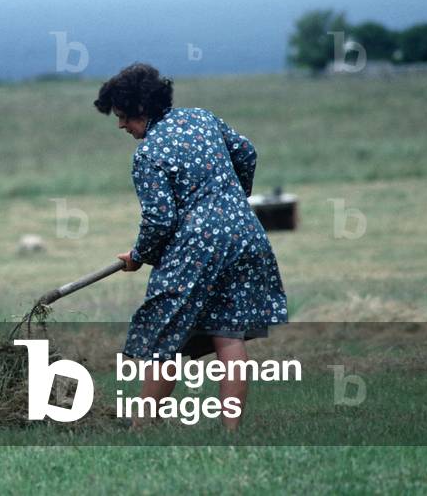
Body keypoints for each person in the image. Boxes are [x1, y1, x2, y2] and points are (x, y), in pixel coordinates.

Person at [94, 62, 288, 430]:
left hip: (196, 247)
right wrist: (234, 194)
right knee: (228, 334)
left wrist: (138, 256)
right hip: (245, 234)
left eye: (123, 117)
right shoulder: (201, 118)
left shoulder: (148, 154)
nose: (121, 126)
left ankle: (141, 428)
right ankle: (232, 433)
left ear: (141, 110)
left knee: (164, 335)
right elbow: (247, 152)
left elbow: (160, 221)